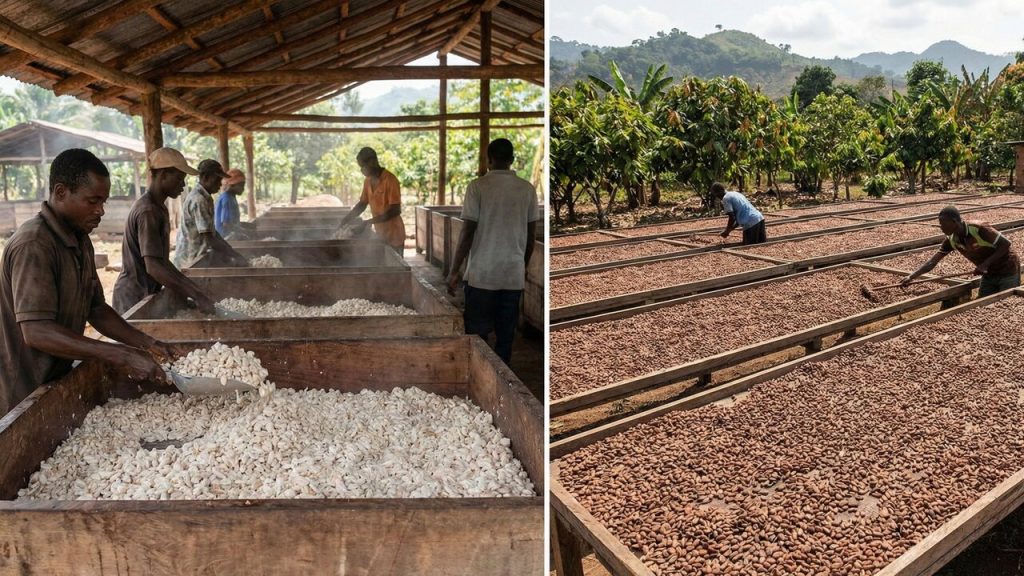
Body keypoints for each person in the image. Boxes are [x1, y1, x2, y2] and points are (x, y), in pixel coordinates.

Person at [1, 149, 172, 416]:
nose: (100, 210)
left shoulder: (80, 238)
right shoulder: (34, 245)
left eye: (103, 201)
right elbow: (36, 331)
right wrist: (121, 355)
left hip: (54, 376)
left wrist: (145, 342)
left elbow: (96, 309)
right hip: (22, 390)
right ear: (60, 193)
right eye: (92, 201)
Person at [446, 139, 539, 365]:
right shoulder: (527, 189)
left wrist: (454, 271)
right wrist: (522, 266)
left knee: (478, 336)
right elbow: (530, 237)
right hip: (511, 276)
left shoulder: (477, 187)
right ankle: (503, 386)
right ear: (512, 160)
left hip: (482, 276)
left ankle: (480, 377)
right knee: (505, 338)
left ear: (488, 160)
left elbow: (467, 232)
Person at [113, 148, 218, 315]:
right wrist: (195, 295)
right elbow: (153, 267)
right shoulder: (148, 211)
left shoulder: (159, 208)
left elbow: (162, 261)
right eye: (178, 179)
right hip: (134, 295)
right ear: (162, 175)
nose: (183, 185)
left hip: (145, 289)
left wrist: (192, 290)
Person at [902, 205, 1020, 297]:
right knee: (984, 304)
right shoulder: (951, 240)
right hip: (988, 273)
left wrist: (984, 264)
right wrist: (912, 277)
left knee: (1006, 301)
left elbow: (1006, 244)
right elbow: (932, 262)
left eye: (942, 223)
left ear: (954, 221)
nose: (941, 227)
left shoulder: (979, 228)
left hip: (1007, 268)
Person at [173, 159, 246, 268]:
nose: (220, 184)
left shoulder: (206, 197)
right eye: (217, 179)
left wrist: (231, 251)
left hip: (197, 257)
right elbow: (210, 239)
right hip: (190, 261)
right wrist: (234, 255)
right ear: (206, 177)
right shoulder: (199, 199)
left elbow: (212, 232)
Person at [338, 147, 406, 254]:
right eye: (360, 167)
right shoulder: (368, 181)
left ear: (373, 162)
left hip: (394, 235)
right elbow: (362, 204)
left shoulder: (390, 180)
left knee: (395, 265)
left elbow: (395, 210)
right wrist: (346, 219)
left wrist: (368, 222)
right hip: (381, 234)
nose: (362, 170)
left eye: (363, 166)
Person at [215, 168, 245, 238]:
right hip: (225, 238)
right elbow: (226, 224)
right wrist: (243, 230)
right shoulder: (227, 199)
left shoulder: (231, 197)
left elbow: (232, 222)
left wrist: (245, 225)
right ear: (232, 185)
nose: (243, 188)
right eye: (241, 185)